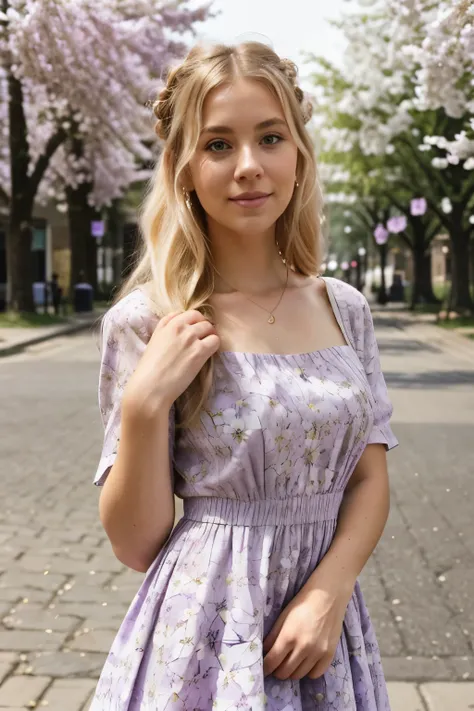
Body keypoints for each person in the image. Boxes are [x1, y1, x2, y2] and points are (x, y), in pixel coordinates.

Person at [90, 41, 398, 711]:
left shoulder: (344, 308)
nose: (250, 167)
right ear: (183, 167)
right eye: (219, 145)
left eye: (270, 138)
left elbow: (370, 478)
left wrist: (328, 590)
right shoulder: (147, 323)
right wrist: (145, 404)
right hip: (205, 629)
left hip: (327, 634)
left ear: (299, 154)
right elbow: (136, 542)